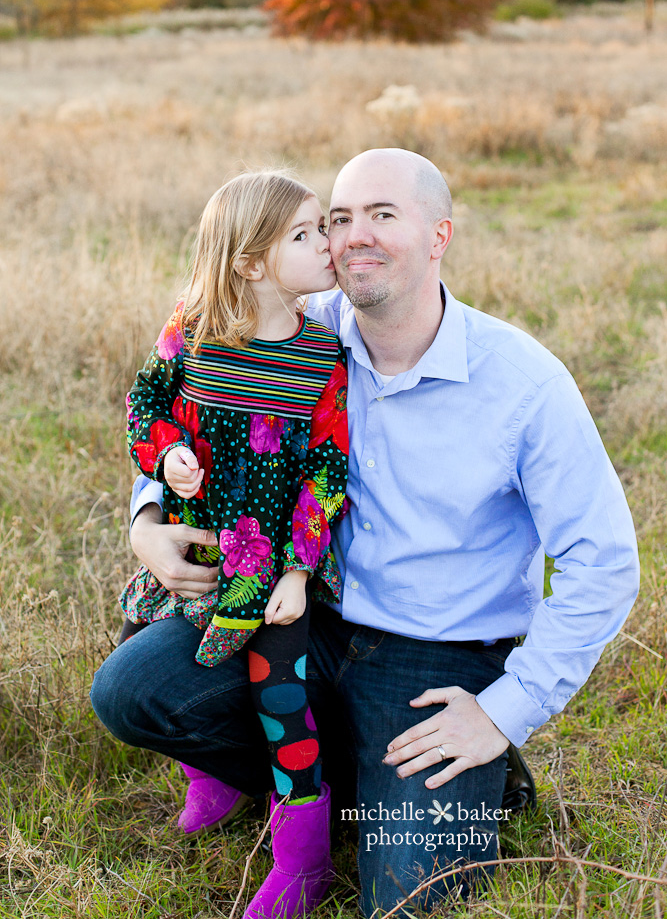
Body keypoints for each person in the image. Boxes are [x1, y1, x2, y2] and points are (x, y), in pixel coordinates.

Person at [91, 149, 640, 917]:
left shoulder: (523, 383)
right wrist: (147, 519)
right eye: (338, 219)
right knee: (132, 692)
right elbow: (198, 406)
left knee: (407, 900)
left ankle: (477, 772)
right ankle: (330, 781)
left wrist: (505, 709)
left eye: (383, 215)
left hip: (434, 657)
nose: (353, 237)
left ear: (438, 235)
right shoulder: (298, 327)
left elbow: (601, 560)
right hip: (301, 616)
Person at [117, 170, 349, 919]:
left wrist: (297, 571)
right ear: (250, 262)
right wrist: (164, 453)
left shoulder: (321, 357)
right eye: (306, 234)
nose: (329, 245)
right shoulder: (191, 329)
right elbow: (146, 398)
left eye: (324, 228)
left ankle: (302, 858)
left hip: (270, 573)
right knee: (142, 640)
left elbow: (326, 469)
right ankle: (208, 776)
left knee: (278, 699)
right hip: (199, 555)